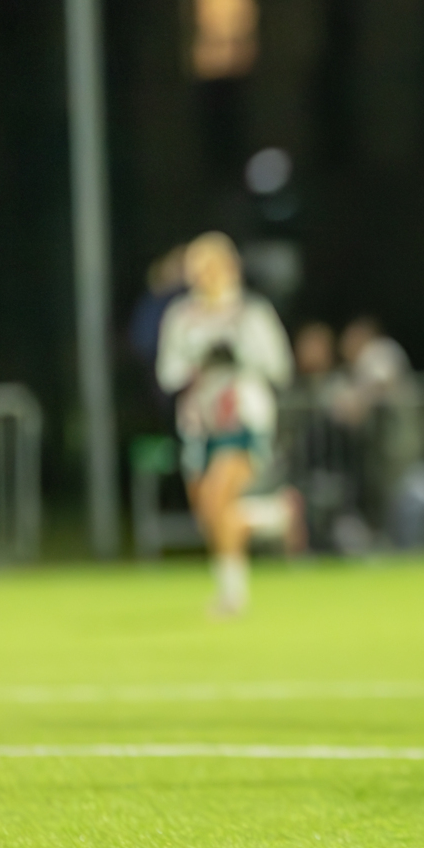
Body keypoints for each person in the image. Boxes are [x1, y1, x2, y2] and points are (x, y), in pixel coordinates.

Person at [156, 231, 293, 615]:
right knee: (208, 515)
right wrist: (199, 363)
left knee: (218, 499)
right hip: (200, 424)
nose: (205, 276)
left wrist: (239, 357)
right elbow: (168, 373)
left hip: (242, 419)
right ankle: (274, 516)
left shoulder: (251, 313)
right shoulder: (182, 317)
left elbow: (279, 366)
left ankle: (232, 597)